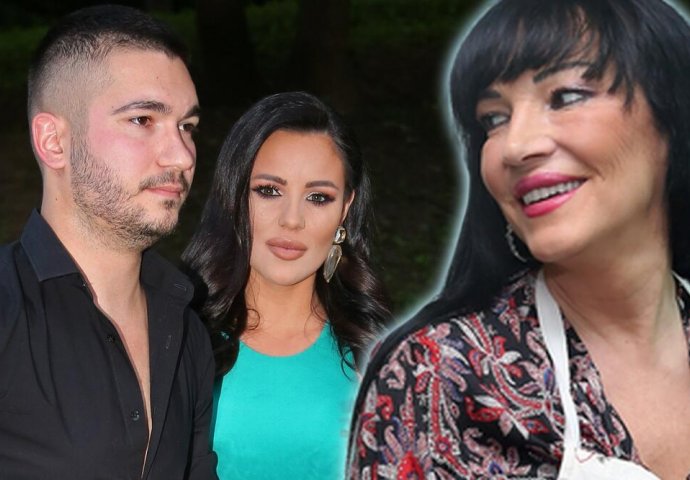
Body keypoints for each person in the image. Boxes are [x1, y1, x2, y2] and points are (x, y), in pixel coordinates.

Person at [348, 0, 690, 478]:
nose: (515, 146)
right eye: (493, 118)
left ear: (671, 118)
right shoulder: (437, 374)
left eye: (565, 96)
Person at [0, 5, 218, 479]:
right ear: (54, 141)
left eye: (187, 127)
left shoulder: (186, 329)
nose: (182, 155)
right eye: (143, 120)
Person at [182, 91, 391, 479]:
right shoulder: (175, 335)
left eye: (318, 197)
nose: (291, 220)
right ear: (234, 196)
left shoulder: (377, 350)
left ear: (345, 208)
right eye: (269, 191)